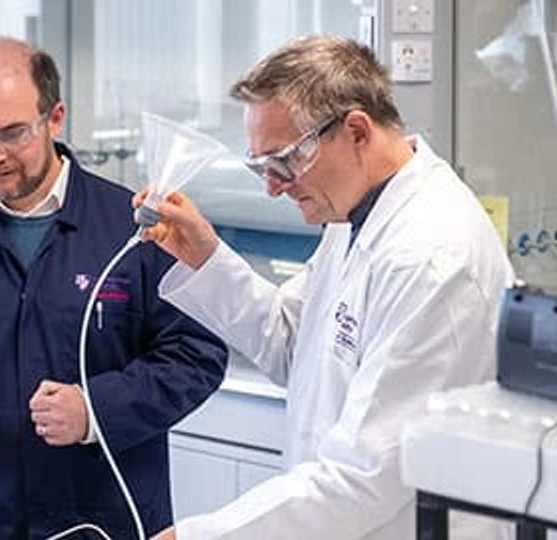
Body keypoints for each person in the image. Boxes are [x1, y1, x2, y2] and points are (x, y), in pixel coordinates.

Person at [137, 34, 515, 540]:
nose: (272, 187)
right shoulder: (353, 217)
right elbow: (295, 345)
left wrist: (200, 535)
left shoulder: (429, 256)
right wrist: (206, 257)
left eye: (285, 161)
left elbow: (366, 475)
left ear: (356, 131)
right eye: (261, 168)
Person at [0, 37, 228, 540]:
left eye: (12, 134)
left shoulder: (134, 229)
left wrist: (96, 410)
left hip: (104, 517)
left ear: (55, 118)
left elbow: (197, 354)